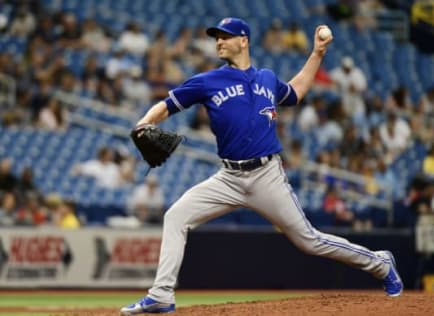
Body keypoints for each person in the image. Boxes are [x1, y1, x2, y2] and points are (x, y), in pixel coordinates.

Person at [121, 17, 403, 315]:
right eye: (216, 37)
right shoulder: (207, 81)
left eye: (225, 36)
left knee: (309, 241)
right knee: (176, 216)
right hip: (228, 178)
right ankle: (162, 294)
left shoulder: (267, 78)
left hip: (267, 175)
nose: (218, 41)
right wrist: (144, 122)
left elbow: (295, 92)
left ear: (244, 40)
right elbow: (166, 105)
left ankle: (380, 263)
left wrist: (317, 53)